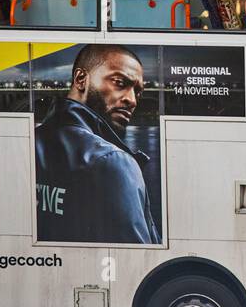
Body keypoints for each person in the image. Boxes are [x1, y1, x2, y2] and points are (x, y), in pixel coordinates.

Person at [35, 44, 159, 244]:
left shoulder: (28, 142)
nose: (133, 100)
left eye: (138, 92)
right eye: (119, 83)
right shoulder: (113, 162)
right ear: (81, 79)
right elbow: (137, 262)